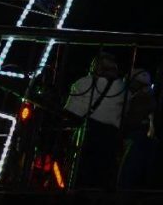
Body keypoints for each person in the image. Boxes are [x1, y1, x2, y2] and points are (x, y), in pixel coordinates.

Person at [64, 52, 127, 189]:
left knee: (80, 175)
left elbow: (70, 112)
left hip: (88, 133)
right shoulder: (123, 89)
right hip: (110, 137)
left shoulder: (83, 83)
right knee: (101, 179)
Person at [119, 68, 157, 189]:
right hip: (143, 136)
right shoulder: (150, 98)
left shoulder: (136, 98)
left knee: (129, 172)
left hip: (135, 136)